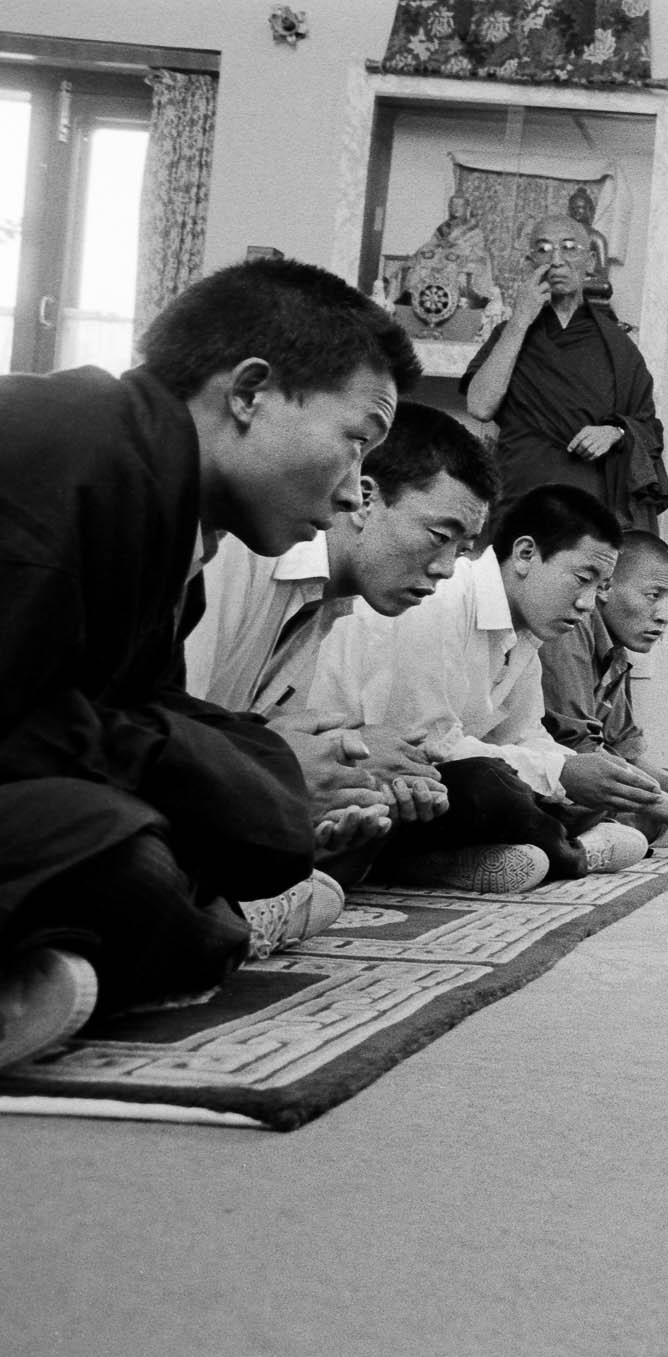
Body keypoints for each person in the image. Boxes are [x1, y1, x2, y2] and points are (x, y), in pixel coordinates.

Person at [0, 256, 421, 1070]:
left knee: (211, 842)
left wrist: (265, 776)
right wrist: (257, 772)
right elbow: (26, 729)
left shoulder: (164, 513)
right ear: (249, 391)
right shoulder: (78, 450)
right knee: (121, 852)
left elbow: (131, 716)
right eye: (354, 443)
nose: (351, 496)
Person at [183, 402, 503, 882]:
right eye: (439, 536)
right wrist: (309, 759)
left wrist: (347, 776)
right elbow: (164, 731)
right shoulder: (239, 551)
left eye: (461, 551)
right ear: (367, 498)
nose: (444, 569)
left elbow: (260, 735)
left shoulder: (330, 604)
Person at [311, 484, 654, 893]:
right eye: (582, 578)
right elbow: (424, 746)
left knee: (570, 791)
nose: (587, 603)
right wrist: (560, 773)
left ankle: (466, 859)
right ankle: (571, 852)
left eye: (599, 587)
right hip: (369, 777)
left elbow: (526, 734)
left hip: (428, 785)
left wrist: (573, 775)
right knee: (487, 787)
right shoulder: (438, 598)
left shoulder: (528, 631)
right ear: (526, 554)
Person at [461, 213, 668, 531]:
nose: (556, 260)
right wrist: (520, 319)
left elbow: (647, 426)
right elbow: (479, 406)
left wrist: (614, 432)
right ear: (531, 262)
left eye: (569, 248)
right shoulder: (510, 332)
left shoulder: (616, 345)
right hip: (521, 494)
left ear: (590, 260)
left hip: (592, 504)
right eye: (543, 249)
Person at [540, 531, 668, 863]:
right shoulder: (570, 629)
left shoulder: (615, 654)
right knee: (624, 797)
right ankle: (569, 850)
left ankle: (587, 842)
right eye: (653, 595)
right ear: (604, 588)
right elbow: (583, 752)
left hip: (577, 785)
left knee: (652, 795)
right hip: (539, 776)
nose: (664, 614)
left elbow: (626, 754)